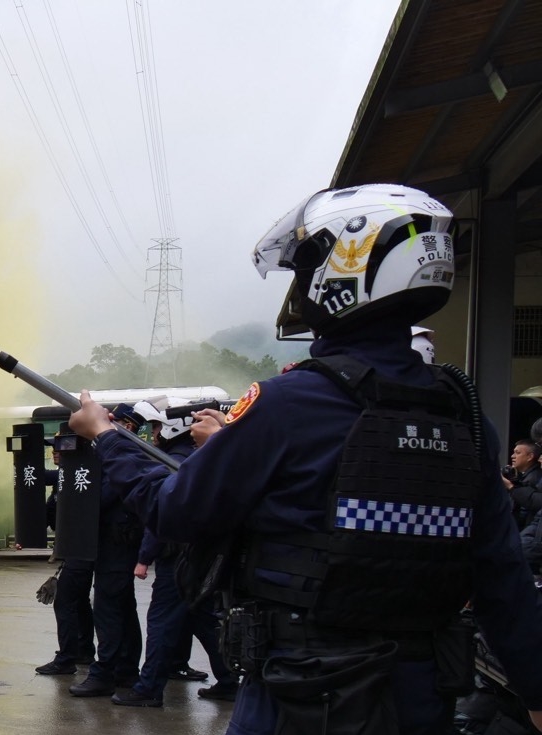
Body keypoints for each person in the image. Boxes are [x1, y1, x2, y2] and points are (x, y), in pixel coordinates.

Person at [69, 183, 542, 734]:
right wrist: (536, 689)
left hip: (298, 693)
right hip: (422, 696)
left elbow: (174, 510)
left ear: (343, 270)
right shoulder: (464, 417)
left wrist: (107, 437)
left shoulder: (287, 404)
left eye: (306, 267)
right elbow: (502, 578)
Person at [113, 400, 239, 708]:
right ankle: (229, 680)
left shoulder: (173, 460)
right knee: (202, 618)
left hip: (177, 558)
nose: (154, 432)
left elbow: (162, 516)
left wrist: (144, 557)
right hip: (197, 554)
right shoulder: (194, 456)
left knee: (161, 621)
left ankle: (148, 689)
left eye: (157, 426)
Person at [68, 408, 145, 697]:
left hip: (117, 545)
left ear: (127, 426)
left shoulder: (121, 458)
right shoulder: (128, 454)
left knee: (109, 610)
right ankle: (126, 670)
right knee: (123, 608)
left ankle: (106, 673)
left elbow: (100, 498)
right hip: (116, 545)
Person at [38, 440, 97, 676]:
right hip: (74, 548)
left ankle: (66, 659)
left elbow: (41, 476)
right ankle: (83, 651)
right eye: (53, 449)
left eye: (61, 448)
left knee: (65, 601)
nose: (55, 452)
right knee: (79, 601)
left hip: (80, 549)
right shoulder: (65, 476)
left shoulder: (76, 473)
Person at [504, 439, 542, 530]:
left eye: (518, 453)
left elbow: (524, 511)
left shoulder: (533, 479)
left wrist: (510, 486)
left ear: (530, 457)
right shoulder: (525, 476)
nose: (512, 456)